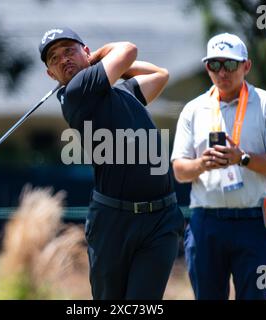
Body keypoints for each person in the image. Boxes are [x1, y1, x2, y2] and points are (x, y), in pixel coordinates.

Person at [38, 27, 184, 299]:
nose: (63, 60)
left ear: (85, 51)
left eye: (69, 51)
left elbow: (159, 75)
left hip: (160, 219)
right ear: (51, 75)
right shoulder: (76, 92)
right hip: (115, 222)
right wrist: (101, 58)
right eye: (54, 59)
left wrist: (104, 65)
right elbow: (128, 50)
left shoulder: (122, 92)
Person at [171, 33, 266, 300]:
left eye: (230, 64)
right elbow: (180, 170)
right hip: (207, 222)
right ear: (207, 67)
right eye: (215, 65)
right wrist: (202, 164)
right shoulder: (193, 109)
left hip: (254, 223)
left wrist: (242, 158)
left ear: (246, 66)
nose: (222, 72)